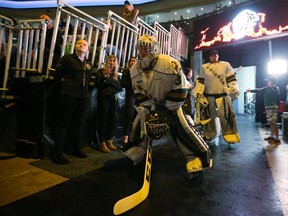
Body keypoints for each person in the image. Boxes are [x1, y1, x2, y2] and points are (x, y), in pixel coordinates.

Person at [122, 35, 212, 177]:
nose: (142, 52)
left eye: (146, 48)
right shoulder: (134, 69)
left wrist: (164, 113)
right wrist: (151, 111)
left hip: (178, 100)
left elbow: (181, 90)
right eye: (140, 48)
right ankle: (138, 147)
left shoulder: (170, 63)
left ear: (155, 48)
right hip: (154, 103)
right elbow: (139, 94)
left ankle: (197, 156)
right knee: (140, 120)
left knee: (182, 124)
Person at [49, 39, 92, 164]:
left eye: (84, 44)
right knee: (63, 124)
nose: (81, 45)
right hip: (68, 95)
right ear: (75, 47)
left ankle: (75, 148)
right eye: (79, 43)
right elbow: (57, 77)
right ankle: (57, 152)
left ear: (88, 49)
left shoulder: (88, 63)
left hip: (82, 96)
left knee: (78, 123)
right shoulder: (67, 58)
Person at [194, 49, 240, 144]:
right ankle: (209, 134)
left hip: (222, 96)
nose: (214, 56)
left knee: (226, 116)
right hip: (208, 97)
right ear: (209, 57)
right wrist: (198, 92)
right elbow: (200, 81)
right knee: (208, 118)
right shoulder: (204, 67)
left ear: (218, 55)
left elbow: (231, 79)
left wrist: (233, 88)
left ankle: (230, 135)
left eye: (215, 54)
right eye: (212, 55)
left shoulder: (225, 65)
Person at [95, 55, 122, 153]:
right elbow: (98, 84)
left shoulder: (116, 74)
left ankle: (109, 140)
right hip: (103, 97)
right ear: (106, 61)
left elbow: (119, 87)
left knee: (112, 119)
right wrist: (109, 81)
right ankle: (102, 142)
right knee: (103, 119)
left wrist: (108, 80)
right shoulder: (101, 71)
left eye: (113, 60)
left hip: (113, 98)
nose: (111, 62)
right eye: (110, 60)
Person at [246, 76, 281, 145]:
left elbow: (259, 90)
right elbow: (278, 100)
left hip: (270, 107)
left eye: (268, 81)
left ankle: (277, 139)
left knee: (273, 123)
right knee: (271, 122)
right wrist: (277, 107)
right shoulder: (277, 89)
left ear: (271, 82)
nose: (267, 82)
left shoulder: (268, 88)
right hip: (273, 107)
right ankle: (272, 136)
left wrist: (250, 90)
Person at [120, 56, 137, 146]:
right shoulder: (126, 71)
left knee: (137, 117)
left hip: (138, 95)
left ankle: (134, 137)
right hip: (130, 94)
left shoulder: (139, 71)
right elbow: (123, 84)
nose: (132, 62)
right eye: (131, 61)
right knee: (128, 116)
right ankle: (125, 138)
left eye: (134, 61)